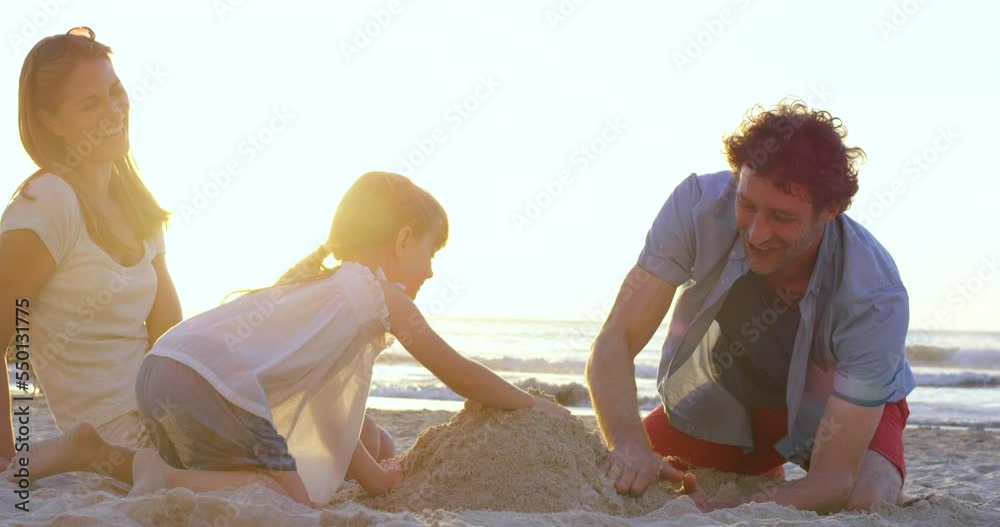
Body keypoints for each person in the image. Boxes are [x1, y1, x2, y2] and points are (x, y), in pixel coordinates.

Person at [124, 171, 570, 506]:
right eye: (430, 253)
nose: (431, 270)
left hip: (165, 368)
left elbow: (326, 409)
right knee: (286, 499)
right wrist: (535, 403)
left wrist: (375, 480)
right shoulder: (378, 295)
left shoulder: (326, 289)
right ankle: (161, 476)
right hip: (208, 385)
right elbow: (458, 372)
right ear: (403, 239)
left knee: (241, 479)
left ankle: (170, 474)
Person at [587, 99, 915, 513]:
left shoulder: (874, 295)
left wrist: (726, 510)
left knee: (864, 500)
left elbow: (834, 481)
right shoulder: (695, 207)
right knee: (617, 475)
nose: (758, 233)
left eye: (782, 216)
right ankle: (757, 465)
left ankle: (775, 473)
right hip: (733, 404)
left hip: (837, 415)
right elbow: (615, 339)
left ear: (830, 211)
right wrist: (630, 446)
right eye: (747, 205)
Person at [0, 27, 182, 483]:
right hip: (113, 436)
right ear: (52, 122)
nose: (114, 111)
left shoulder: (137, 205)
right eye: (90, 104)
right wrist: (10, 459)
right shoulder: (46, 205)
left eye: (116, 92)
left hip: (169, 416)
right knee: (278, 472)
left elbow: (172, 336)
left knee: (349, 436)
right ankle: (72, 454)